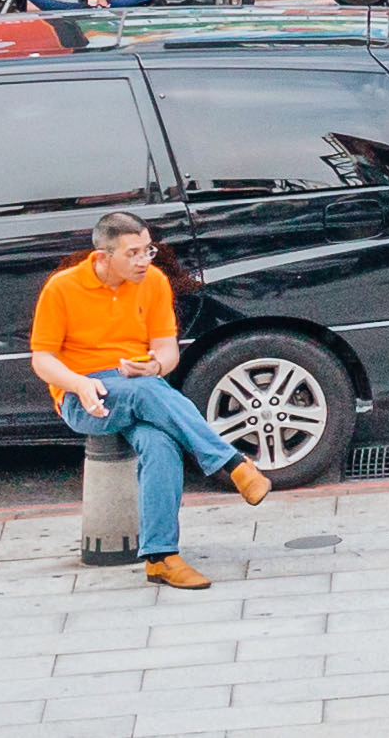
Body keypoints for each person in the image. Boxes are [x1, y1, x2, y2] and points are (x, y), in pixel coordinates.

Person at [31, 210, 274, 586]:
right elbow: (42, 359)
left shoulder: (155, 282)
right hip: (83, 395)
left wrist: (156, 365)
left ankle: (161, 558)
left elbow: (167, 351)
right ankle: (232, 463)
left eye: (148, 250)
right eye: (133, 253)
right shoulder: (63, 288)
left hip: (140, 384)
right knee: (148, 393)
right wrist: (77, 384)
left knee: (160, 444)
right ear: (103, 256)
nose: (144, 260)